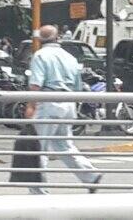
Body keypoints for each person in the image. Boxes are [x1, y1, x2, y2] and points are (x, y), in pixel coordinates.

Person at [24, 25, 102, 195]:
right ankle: (90, 175)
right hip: (67, 104)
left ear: (40, 40)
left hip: (48, 102)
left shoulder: (40, 56)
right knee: (64, 145)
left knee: (39, 147)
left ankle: (39, 191)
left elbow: (35, 84)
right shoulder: (70, 57)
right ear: (57, 38)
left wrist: (31, 106)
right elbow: (77, 86)